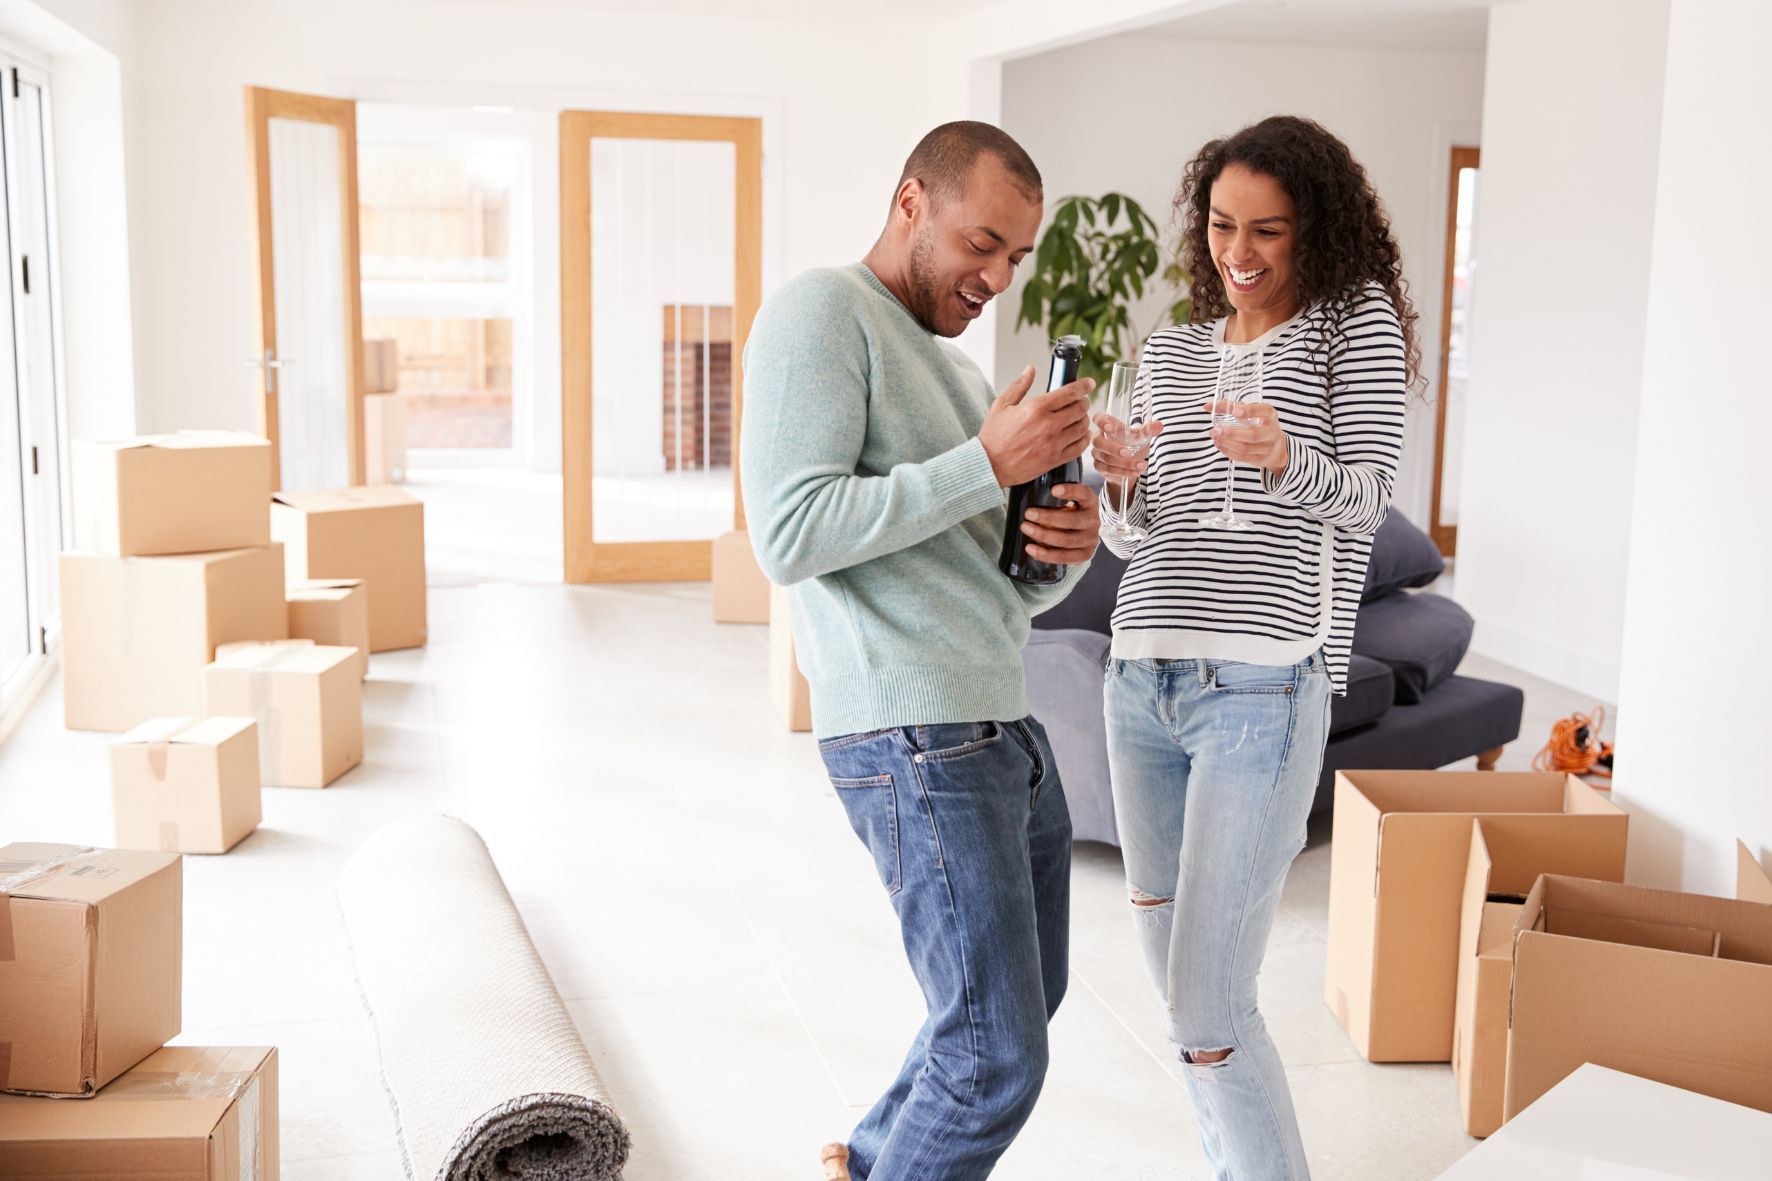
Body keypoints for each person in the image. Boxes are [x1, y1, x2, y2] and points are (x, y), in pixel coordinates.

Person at [741, 121, 1100, 1181]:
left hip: (997, 721)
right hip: (915, 730)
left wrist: (1059, 550)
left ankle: (865, 1159)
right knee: (995, 1050)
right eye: (980, 241)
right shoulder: (822, 311)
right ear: (911, 203)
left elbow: (989, 581)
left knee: (1018, 1005)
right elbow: (789, 531)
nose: (995, 275)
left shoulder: (948, 372)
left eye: (1014, 257)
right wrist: (984, 463)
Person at [1091, 114, 1416, 1180]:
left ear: (1312, 229)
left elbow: (1365, 497)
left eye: (1267, 230)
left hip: (1260, 682)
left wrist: (1283, 456)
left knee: (1206, 1004)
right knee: (1176, 985)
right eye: (1223, 225)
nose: (1239, 251)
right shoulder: (1172, 348)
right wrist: (1122, 476)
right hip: (1137, 673)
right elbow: (1134, 536)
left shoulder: (1348, 324)